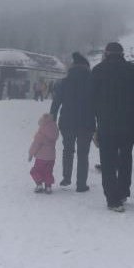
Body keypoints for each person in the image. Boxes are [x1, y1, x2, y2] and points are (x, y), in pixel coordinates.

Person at [90, 42, 134, 212]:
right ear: (122, 53)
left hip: (106, 125)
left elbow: (91, 100)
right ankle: (123, 191)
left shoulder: (98, 70)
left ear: (106, 53)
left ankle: (113, 199)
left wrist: (93, 123)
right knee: (125, 158)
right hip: (130, 124)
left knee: (107, 162)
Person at [49, 52, 94, 192]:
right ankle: (81, 184)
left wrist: (52, 118)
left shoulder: (64, 82)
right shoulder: (92, 82)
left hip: (67, 122)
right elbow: (98, 103)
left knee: (68, 150)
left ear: (73, 66)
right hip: (86, 122)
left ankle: (66, 178)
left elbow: (56, 102)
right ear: (86, 67)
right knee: (83, 153)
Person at [28, 113, 58, 193]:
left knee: (36, 171)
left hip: (41, 158)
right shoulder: (54, 129)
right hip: (51, 158)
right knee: (48, 172)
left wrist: (31, 154)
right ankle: (48, 187)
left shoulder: (41, 133)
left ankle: (39, 185)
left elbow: (35, 144)